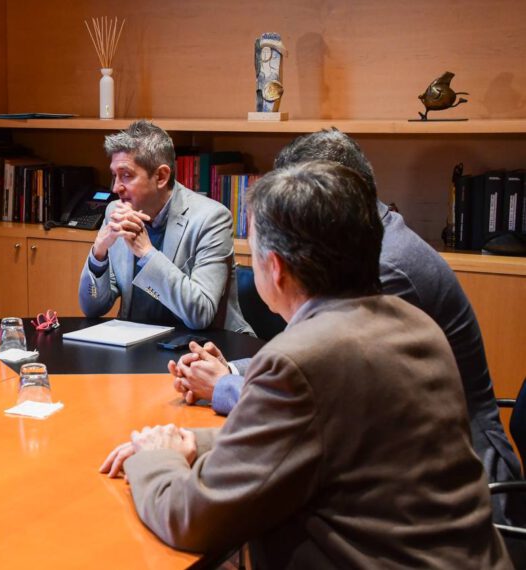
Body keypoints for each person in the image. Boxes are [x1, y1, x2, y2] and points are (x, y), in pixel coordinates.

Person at [101, 162, 511, 568]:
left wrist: (156, 456)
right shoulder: (417, 326)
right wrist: (196, 444)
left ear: (275, 268)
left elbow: (191, 518)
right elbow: (317, 435)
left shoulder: (299, 360)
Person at [171, 129, 524, 525]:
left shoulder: (384, 267)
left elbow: (318, 387)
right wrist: (233, 370)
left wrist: (221, 386)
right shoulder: (374, 241)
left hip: (446, 490)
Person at [78, 120, 251, 333]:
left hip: (206, 349)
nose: (115, 188)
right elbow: (92, 308)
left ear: (161, 176)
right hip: (137, 344)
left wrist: (146, 253)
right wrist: (99, 253)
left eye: (126, 175)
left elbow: (200, 314)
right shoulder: (117, 210)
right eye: (114, 175)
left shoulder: (211, 218)